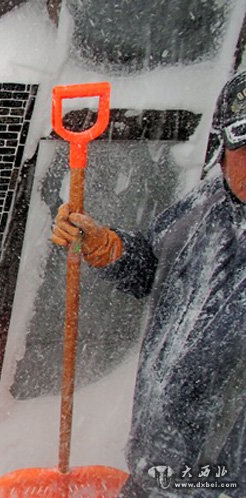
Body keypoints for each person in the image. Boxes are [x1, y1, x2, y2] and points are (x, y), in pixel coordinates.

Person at [51, 72, 246, 496]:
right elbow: (151, 269)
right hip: (153, 470)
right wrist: (106, 246)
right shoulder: (207, 204)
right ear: (223, 149)